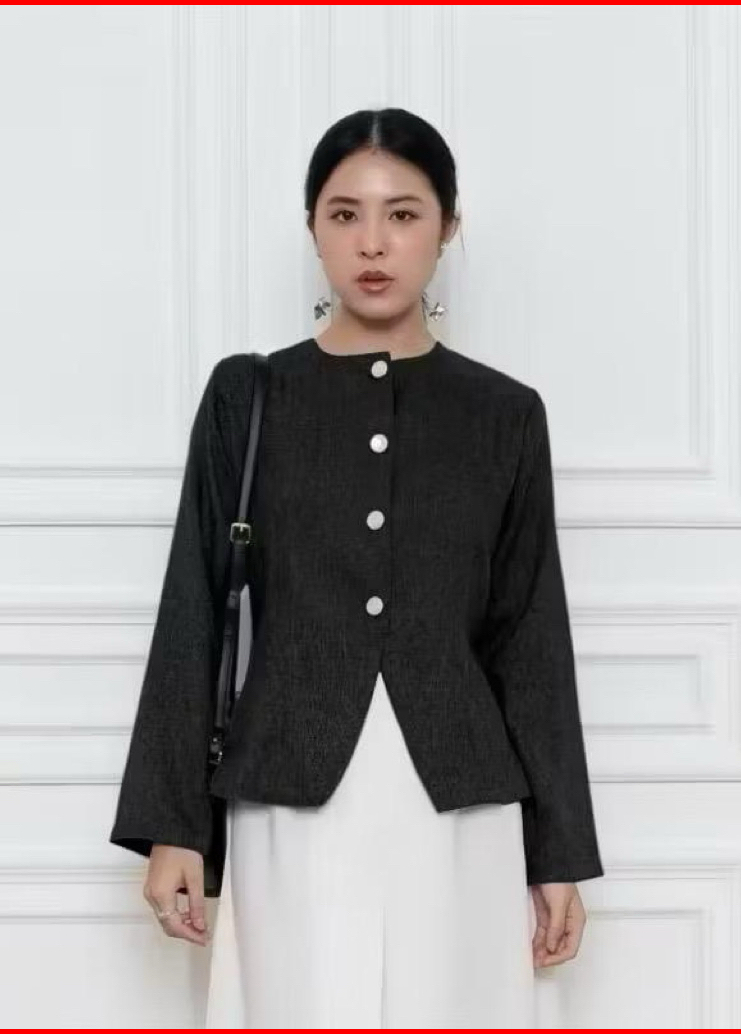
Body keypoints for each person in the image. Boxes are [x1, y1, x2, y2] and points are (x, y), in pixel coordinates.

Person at [109, 107, 604, 1027]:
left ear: (448, 227)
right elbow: (194, 608)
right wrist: (176, 826)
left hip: (460, 806)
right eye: (344, 214)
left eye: (403, 214)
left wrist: (558, 853)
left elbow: (530, 635)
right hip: (289, 792)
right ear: (312, 228)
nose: (373, 242)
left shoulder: (503, 414)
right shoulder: (249, 396)